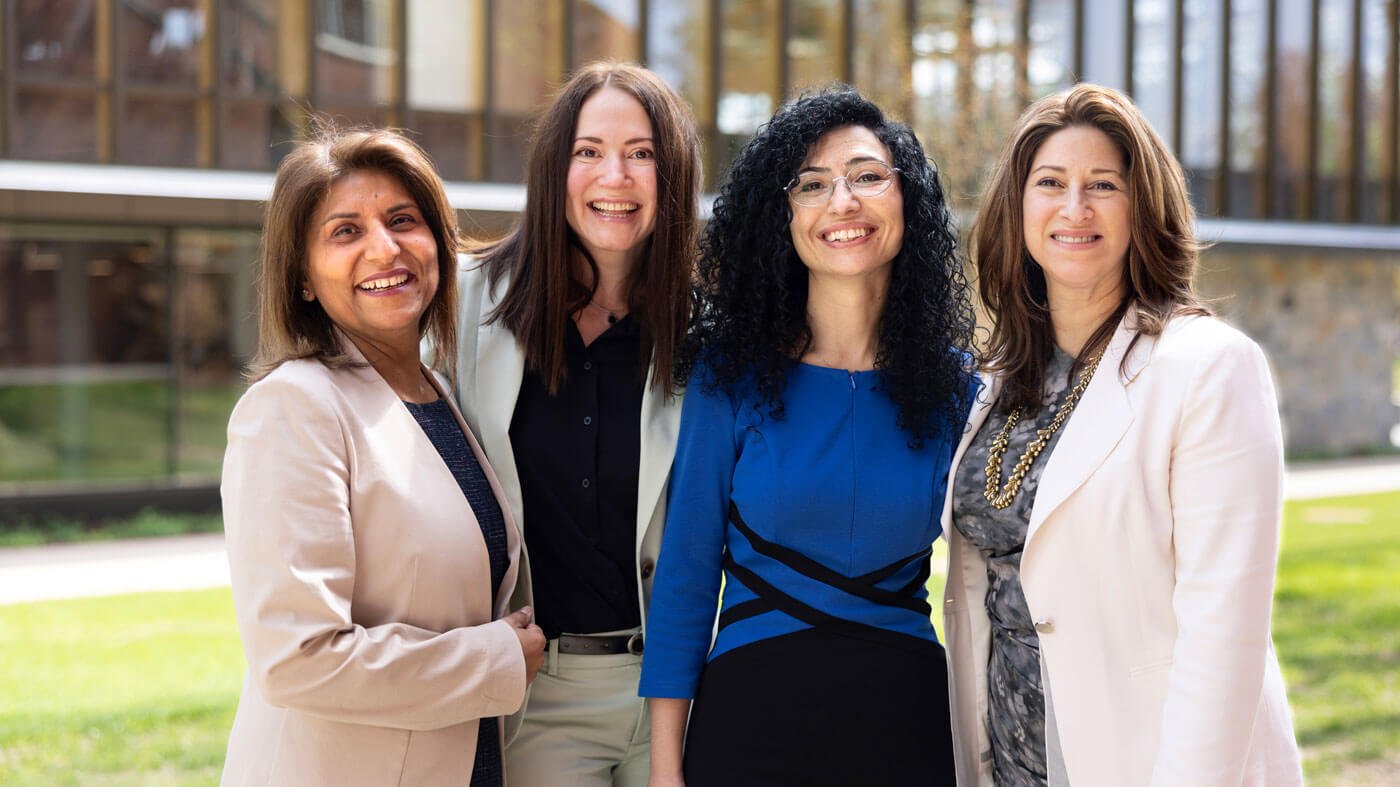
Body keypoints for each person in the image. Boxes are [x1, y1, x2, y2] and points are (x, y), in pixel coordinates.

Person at [944, 83, 1304, 786]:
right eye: (1050, 183)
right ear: (1018, 207)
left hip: (1145, 761)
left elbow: (1224, 636)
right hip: (1010, 758)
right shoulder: (993, 384)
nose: (1074, 208)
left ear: (1144, 208)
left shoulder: (1207, 368)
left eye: (1102, 184)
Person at [639, 87, 977, 785]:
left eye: (867, 176)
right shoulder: (729, 374)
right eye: (812, 184)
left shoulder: (958, 388)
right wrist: (666, 769)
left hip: (906, 726)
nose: (843, 201)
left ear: (907, 197)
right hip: (748, 727)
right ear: (781, 214)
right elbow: (685, 578)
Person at [219, 127, 545, 787]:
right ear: (303, 277)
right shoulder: (292, 408)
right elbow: (298, 657)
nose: (385, 247)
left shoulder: (436, 394)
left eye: (403, 220)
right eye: (345, 232)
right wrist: (497, 657)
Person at [449, 62, 702, 786]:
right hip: (540, 695)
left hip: (678, 690)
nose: (614, 176)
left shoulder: (704, 332)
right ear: (554, 168)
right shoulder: (467, 309)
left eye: (642, 153)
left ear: (672, 176)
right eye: (588, 151)